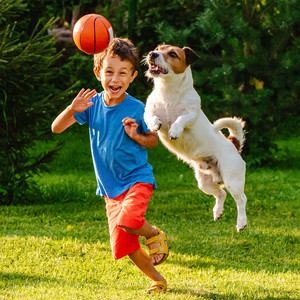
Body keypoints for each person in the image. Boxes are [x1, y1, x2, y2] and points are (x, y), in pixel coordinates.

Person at [51, 38, 168, 294]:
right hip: (110, 189)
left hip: (137, 178)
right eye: (109, 72)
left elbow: (153, 141)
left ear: (133, 76)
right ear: (98, 73)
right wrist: (72, 109)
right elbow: (56, 128)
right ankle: (158, 280)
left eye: (122, 73)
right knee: (125, 245)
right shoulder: (90, 106)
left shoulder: (138, 108)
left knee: (129, 220)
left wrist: (137, 135)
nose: (115, 79)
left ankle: (154, 234)